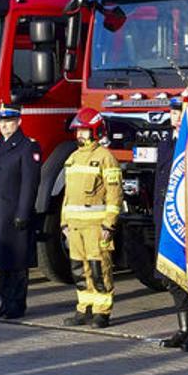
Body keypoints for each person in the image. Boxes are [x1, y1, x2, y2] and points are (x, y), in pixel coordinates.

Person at [60, 108, 122, 328]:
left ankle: (102, 311)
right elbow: (67, 195)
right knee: (79, 269)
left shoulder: (106, 158)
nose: (80, 135)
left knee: (99, 269)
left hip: (97, 226)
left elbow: (114, 194)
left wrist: (109, 224)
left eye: (84, 131)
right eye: (78, 131)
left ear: (95, 131)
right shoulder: (73, 158)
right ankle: (83, 308)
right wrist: (64, 223)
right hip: (75, 226)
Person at [0, 105, 41, 319]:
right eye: (2, 122)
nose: (5, 126)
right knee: (2, 262)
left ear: (19, 122)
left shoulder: (27, 147)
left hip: (13, 212)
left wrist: (23, 213)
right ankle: (4, 304)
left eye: (9, 122)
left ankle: (16, 305)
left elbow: (30, 183)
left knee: (17, 263)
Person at [156, 96, 188, 351]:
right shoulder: (166, 144)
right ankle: (184, 327)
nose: (176, 116)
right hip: (167, 219)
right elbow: (160, 184)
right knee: (172, 277)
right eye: (173, 112)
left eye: (180, 112)